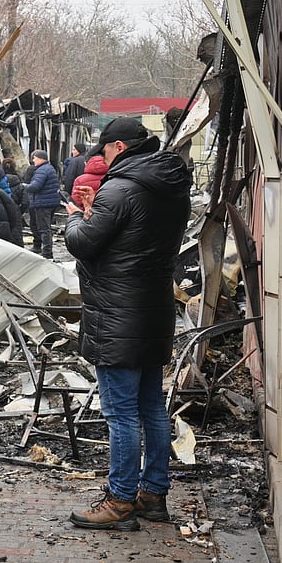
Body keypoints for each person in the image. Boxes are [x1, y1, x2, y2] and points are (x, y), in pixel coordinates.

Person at [63, 117, 191, 531]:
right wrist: (92, 211)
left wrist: (74, 217)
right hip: (154, 310)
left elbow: (83, 243)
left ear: (118, 147)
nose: (101, 157)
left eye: (103, 150)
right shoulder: (172, 191)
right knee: (152, 407)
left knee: (120, 414)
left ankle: (119, 501)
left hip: (117, 314)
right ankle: (153, 494)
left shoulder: (118, 189)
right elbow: (132, 240)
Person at [24, 149, 59, 259]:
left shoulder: (42, 170)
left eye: (34, 158)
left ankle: (47, 253)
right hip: (49, 201)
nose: (33, 161)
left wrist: (24, 186)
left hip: (43, 203)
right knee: (43, 227)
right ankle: (39, 247)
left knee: (44, 229)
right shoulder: (48, 168)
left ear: (39, 158)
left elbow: (35, 186)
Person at [0, 157, 28, 227]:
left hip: (1, 211)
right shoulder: (19, 182)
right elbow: (26, 202)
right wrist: (19, 211)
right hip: (15, 211)